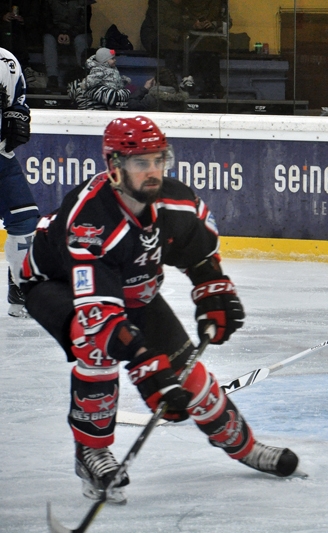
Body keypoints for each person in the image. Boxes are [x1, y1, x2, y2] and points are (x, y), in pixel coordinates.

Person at [20, 115, 298, 504]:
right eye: (140, 163)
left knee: (188, 377)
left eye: (158, 160)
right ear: (114, 167)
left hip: (135, 291)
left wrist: (212, 290)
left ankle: (244, 446)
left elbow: (199, 256)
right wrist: (146, 368)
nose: (153, 171)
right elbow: (100, 317)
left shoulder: (176, 202)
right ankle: (92, 450)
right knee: (96, 346)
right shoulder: (90, 221)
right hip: (57, 285)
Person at [0, 46, 37, 317]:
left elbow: (18, 98)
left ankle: (20, 287)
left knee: (25, 221)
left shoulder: (7, 60)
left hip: (0, 157)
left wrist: (17, 115)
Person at [140, 0, 226, 98]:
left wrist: (194, 25)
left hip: (183, 42)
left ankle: (209, 87)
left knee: (206, 50)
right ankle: (171, 83)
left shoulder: (186, 6)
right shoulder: (158, 5)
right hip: (159, 39)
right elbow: (160, 26)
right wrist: (179, 36)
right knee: (174, 49)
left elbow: (183, 23)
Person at [41, 0, 93, 90]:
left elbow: (84, 23)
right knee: (48, 39)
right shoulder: (49, 2)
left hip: (78, 33)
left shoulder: (83, 2)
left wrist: (70, 35)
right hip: (56, 33)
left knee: (80, 40)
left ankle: (82, 75)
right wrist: (58, 34)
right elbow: (45, 22)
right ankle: (52, 77)